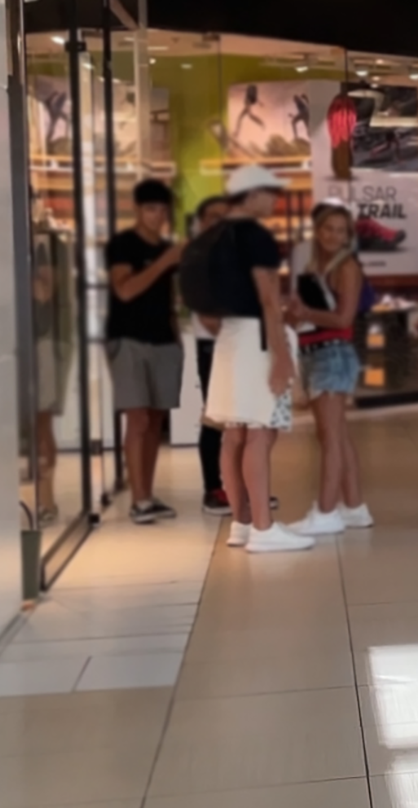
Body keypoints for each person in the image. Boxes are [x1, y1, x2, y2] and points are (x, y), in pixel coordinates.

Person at [193, 165, 312, 555]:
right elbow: (267, 297)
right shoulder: (255, 237)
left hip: (228, 338)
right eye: (270, 192)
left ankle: (241, 523)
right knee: (260, 432)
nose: (275, 199)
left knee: (233, 434)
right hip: (258, 337)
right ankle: (263, 526)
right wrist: (281, 355)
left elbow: (201, 306)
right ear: (252, 194)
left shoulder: (209, 238)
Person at [286, 202, 373, 536]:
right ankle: (354, 507)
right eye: (328, 229)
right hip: (315, 351)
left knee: (330, 436)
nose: (333, 235)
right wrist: (295, 313)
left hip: (332, 353)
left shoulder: (346, 267)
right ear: (318, 231)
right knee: (336, 433)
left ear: (348, 235)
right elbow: (303, 314)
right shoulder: (313, 265)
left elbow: (343, 319)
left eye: (340, 230)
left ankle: (325, 511)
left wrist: (305, 313)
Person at [105, 179, 185, 524]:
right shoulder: (123, 245)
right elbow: (124, 291)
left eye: (163, 210)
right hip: (128, 339)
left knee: (154, 419)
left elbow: (171, 296)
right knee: (136, 418)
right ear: (137, 209)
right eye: (151, 209)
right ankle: (138, 500)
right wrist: (165, 260)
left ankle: (147, 495)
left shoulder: (170, 248)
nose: (158, 216)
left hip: (164, 339)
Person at [187, 196, 232, 515]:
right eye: (213, 217)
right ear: (201, 221)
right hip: (215, 347)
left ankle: (242, 487)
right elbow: (209, 318)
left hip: (235, 345)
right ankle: (213, 489)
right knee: (216, 417)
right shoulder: (197, 258)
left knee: (243, 418)